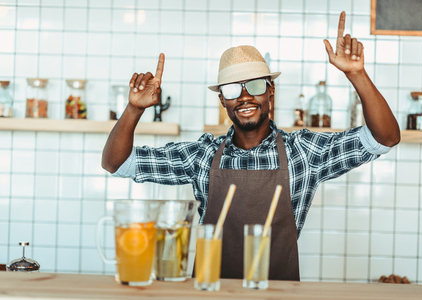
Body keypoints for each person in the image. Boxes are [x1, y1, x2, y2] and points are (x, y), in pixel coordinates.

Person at [102, 12, 400, 281]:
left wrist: (356, 74)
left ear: (271, 92)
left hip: (278, 293)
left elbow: (384, 137)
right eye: (233, 89)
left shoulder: (305, 152)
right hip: (209, 291)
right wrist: (133, 109)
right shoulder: (201, 155)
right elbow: (116, 162)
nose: (245, 96)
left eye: (256, 85)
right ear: (222, 100)